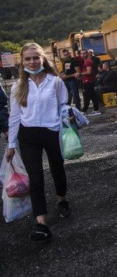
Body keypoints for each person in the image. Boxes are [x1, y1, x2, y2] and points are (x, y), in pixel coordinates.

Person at [6, 43, 71, 242]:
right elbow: (15, 117)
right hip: (28, 136)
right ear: (22, 62)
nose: (32, 62)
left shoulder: (55, 82)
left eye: (36, 58)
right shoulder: (18, 86)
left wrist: (69, 125)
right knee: (35, 178)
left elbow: (63, 106)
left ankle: (61, 198)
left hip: (52, 132)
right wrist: (11, 144)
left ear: (43, 59)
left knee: (57, 168)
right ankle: (41, 224)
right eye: (28, 59)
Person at [80, 49, 100, 115]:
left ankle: (84, 111)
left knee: (86, 97)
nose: (83, 55)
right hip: (89, 81)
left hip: (88, 81)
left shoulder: (88, 62)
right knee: (93, 96)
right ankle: (96, 110)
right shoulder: (86, 61)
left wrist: (80, 74)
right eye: (81, 54)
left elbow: (89, 72)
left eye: (84, 53)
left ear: (87, 54)